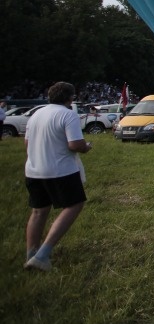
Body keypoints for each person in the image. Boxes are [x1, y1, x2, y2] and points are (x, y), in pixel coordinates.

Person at [23, 81, 91, 271]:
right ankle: (43, 254)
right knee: (74, 205)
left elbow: (27, 145)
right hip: (60, 171)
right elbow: (75, 145)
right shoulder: (68, 115)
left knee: (38, 211)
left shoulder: (36, 115)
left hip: (33, 170)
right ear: (71, 98)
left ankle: (31, 254)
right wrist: (87, 147)